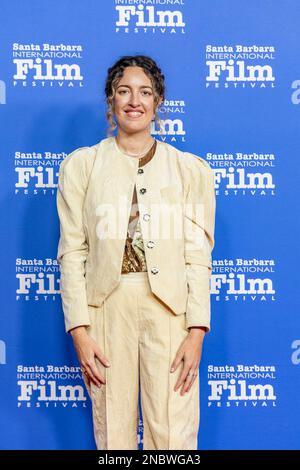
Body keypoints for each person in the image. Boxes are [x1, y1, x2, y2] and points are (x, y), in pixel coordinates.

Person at [56, 55, 216, 450]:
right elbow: (72, 252)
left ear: (158, 101)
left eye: (145, 92)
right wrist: (79, 329)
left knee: (174, 435)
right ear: (110, 100)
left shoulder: (189, 170)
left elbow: (198, 256)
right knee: (113, 435)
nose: (134, 100)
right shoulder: (83, 166)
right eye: (124, 91)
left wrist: (196, 330)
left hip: (170, 312)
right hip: (106, 312)